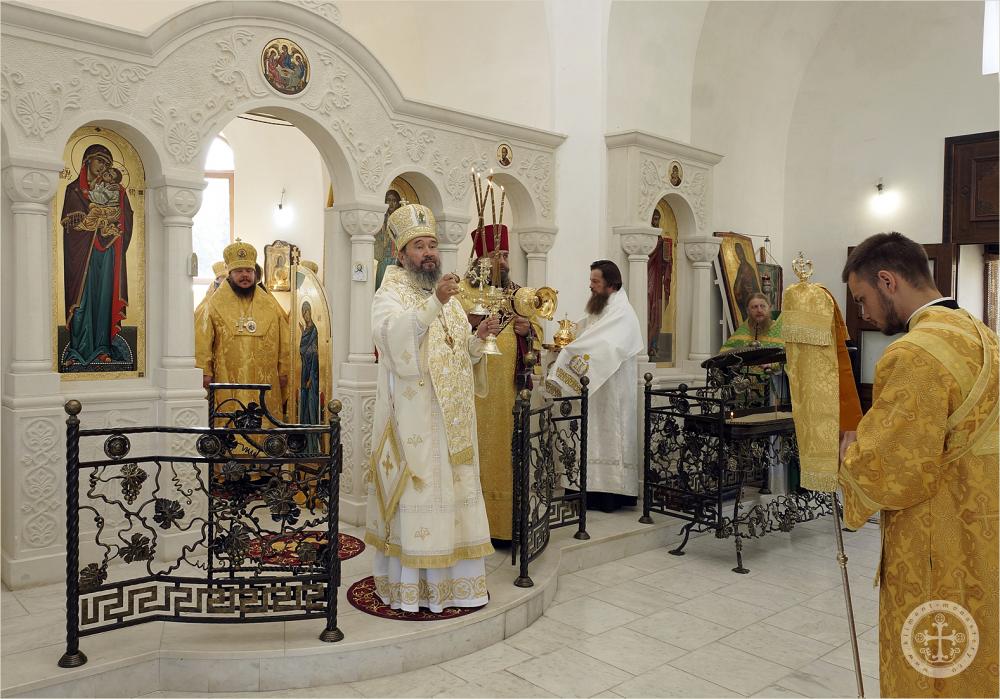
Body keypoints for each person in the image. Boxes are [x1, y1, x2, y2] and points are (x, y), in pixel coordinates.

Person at [838, 232, 998, 698]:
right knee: (977, 646)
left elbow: (894, 467)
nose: (863, 313)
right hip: (984, 526)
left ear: (887, 281)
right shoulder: (981, 334)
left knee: (929, 656)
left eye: (862, 298)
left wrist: (849, 454)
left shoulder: (914, 353)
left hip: (936, 536)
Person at [367, 202, 499, 613]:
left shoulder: (446, 294)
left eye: (432, 245)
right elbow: (393, 342)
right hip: (416, 422)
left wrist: (478, 339)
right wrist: (434, 305)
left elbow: (458, 354)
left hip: (452, 423)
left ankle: (458, 587)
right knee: (421, 496)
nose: (428, 253)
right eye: (419, 246)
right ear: (401, 253)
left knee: (455, 498)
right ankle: (414, 590)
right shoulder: (389, 293)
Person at [545, 260, 644, 512]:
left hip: (612, 391)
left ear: (611, 285)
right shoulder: (602, 307)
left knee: (608, 437)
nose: (591, 286)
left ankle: (608, 495)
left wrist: (570, 351)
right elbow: (587, 331)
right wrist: (567, 339)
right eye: (591, 280)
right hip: (595, 386)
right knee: (589, 436)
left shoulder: (622, 312)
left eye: (595, 281)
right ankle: (583, 489)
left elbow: (606, 345)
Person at [461, 224, 538, 543]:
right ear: (481, 259)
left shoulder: (519, 294)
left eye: (506, 255)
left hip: (509, 393)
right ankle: (474, 529)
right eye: (497, 256)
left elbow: (536, 339)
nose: (504, 262)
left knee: (508, 455)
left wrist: (527, 331)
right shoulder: (462, 293)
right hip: (474, 392)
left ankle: (507, 527)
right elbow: (448, 338)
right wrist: (472, 326)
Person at [195, 239, 290, 424]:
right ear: (230, 274)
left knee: (265, 421)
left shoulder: (270, 304)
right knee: (230, 418)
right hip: (227, 378)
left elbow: (285, 339)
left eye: (249, 271)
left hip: (265, 378)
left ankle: (265, 443)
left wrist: (284, 369)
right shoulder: (214, 304)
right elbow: (202, 339)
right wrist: (205, 371)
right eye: (239, 271)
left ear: (255, 274)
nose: (245, 275)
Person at [60, 143, 134, 367]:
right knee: (81, 300)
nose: (103, 167)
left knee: (104, 299)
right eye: (100, 161)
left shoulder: (116, 190)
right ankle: (77, 351)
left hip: (107, 251)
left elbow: (126, 220)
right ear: (87, 161)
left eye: (107, 164)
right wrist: (91, 223)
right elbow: (70, 228)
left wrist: (113, 223)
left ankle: (102, 348)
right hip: (81, 256)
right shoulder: (74, 190)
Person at [373, 189, 403, 291]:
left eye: (394, 200)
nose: (391, 203)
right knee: (382, 288)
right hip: (383, 260)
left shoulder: (401, 219)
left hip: (397, 260)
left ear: (398, 203)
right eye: (388, 200)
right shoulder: (380, 219)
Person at [731, 244, 761, 325]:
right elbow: (737, 284)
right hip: (745, 298)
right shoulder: (742, 267)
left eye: (740, 252)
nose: (739, 255)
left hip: (748, 297)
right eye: (737, 253)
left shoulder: (747, 267)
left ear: (743, 252)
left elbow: (753, 285)